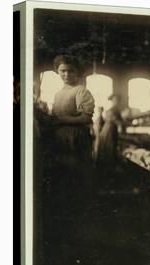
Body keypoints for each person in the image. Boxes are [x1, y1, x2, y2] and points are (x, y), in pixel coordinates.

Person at [50, 54, 95, 212]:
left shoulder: (81, 91)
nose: (66, 75)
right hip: (60, 138)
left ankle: (80, 210)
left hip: (77, 137)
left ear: (77, 73)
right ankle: (65, 209)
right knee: (63, 173)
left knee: (77, 174)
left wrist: (62, 120)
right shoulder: (58, 94)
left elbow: (85, 117)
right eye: (63, 71)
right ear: (57, 71)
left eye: (71, 71)